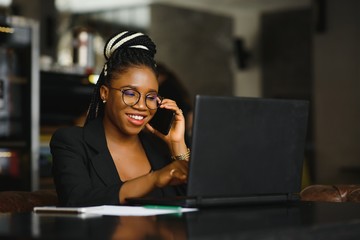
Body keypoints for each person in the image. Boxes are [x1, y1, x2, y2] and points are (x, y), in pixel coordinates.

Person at [50, 31, 190, 207]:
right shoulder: (72, 142)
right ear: (105, 93)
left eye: (151, 97)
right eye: (130, 93)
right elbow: (76, 200)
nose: (142, 105)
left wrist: (177, 144)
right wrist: (154, 179)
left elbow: (196, 204)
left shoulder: (159, 148)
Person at [156, 63, 193, 145]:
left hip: (173, 129)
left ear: (161, 75)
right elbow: (190, 112)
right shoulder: (176, 86)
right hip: (181, 128)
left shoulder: (166, 88)